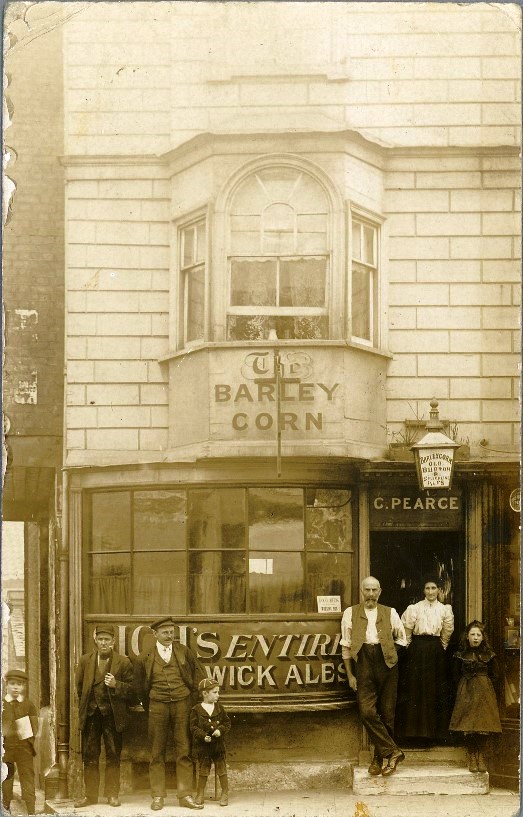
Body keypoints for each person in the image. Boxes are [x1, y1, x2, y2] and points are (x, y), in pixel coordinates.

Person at [134, 616, 205, 811]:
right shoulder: (145, 657)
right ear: (155, 634)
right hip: (157, 707)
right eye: (165, 632)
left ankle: (185, 795)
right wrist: (151, 703)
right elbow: (139, 688)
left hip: (182, 704)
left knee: (184, 750)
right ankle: (157, 795)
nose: (169, 636)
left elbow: (199, 674)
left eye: (171, 632)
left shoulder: (183, 652)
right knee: (157, 752)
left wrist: (194, 699)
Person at [341, 576, 407, 777]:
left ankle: (379, 759)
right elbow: (346, 645)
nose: (370, 594)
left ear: (380, 591)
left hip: (386, 663)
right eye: (367, 590)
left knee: (387, 714)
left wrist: (388, 654)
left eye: (374, 590)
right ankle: (394, 751)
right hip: (363, 663)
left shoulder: (391, 612)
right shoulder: (350, 613)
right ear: (362, 591)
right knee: (367, 711)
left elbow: (402, 639)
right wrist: (351, 675)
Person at [74, 624, 134, 808]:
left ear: (113, 642)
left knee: (113, 755)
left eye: (107, 639)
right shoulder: (85, 661)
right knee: (90, 756)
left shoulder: (123, 662)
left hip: (113, 717)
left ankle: (112, 795)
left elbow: (133, 691)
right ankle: (90, 796)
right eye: (100, 639)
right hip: (91, 716)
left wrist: (117, 685)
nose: (103, 643)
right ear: (95, 640)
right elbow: (79, 688)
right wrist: (89, 705)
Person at [397, 577, 454, 742]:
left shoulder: (444, 610)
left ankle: (434, 734)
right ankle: (414, 733)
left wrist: (439, 648)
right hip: (417, 650)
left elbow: (446, 633)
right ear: (423, 590)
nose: (430, 592)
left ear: (439, 590)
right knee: (415, 688)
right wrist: (411, 650)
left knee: (434, 688)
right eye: (427, 588)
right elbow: (406, 633)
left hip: (435, 650)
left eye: (433, 588)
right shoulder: (414, 609)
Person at [449, 620, 502, 772]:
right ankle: (472, 755)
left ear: (483, 637)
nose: (476, 637)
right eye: (472, 634)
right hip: (466, 691)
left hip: (484, 692)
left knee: (483, 725)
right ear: (467, 637)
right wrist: (462, 688)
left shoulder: (489, 655)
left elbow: (495, 676)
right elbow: (454, 676)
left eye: (479, 635)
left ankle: (481, 756)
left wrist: (485, 686)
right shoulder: (460, 655)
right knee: (469, 726)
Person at [2, 669, 38, 815]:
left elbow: (35, 726)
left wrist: (29, 739)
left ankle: (31, 810)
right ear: (6, 685)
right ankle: (5, 806)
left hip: (24, 748)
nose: (15, 687)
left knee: (27, 777)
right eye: (12, 684)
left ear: (24, 686)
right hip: (6, 748)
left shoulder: (29, 705)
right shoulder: (3, 705)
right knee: (7, 777)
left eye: (19, 684)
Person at [190, 679, 231, 807]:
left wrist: (220, 730)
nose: (218, 695)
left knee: (221, 770)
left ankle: (225, 792)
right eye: (214, 692)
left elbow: (227, 723)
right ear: (205, 693)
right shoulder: (196, 710)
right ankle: (200, 793)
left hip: (218, 746)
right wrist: (203, 736)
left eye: (218, 692)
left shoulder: (219, 708)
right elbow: (193, 727)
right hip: (204, 747)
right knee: (203, 771)